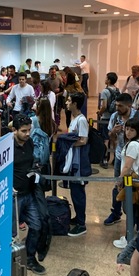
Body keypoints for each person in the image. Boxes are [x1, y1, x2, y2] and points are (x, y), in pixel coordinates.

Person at [105, 94, 139, 226]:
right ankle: (115, 213)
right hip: (121, 156)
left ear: (129, 105)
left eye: (120, 106)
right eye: (116, 105)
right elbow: (110, 136)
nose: (117, 108)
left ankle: (137, 219)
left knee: (136, 187)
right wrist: (113, 132)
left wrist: (136, 144)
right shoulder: (115, 117)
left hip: (135, 159)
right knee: (117, 186)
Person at [12, 114, 47, 275]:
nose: (27, 134)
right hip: (14, 196)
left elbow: (31, 161)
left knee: (37, 225)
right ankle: (11, 263)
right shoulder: (7, 146)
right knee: (11, 233)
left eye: (29, 130)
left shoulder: (30, 142)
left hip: (29, 192)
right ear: (15, 130)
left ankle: (30, 258)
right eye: (23, 131)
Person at [113, 117, 139, 249]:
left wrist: (119, 180)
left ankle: (129, 239)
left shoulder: (133, 145)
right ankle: (137, 238)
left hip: (134, 182)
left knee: (131, 210)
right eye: (127, 128)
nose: (128, 132)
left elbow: (127, 166)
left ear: (138, 131)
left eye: (132, 129)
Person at [63, 92, 90, 237]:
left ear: (75, 104)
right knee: (74, 192)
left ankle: (81, 224)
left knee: (78, 193)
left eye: (69, 100)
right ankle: (78, 217)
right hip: (73, 160)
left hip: (78, 163)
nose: (66, 103)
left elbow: (83, 140)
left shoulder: (81, 121)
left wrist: (68, 142)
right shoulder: (74, 119)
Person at [98, 72, 120, 168]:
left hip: (106, 117)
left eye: (106, 78)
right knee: (114, 139)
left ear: (109, 80)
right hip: (115, 117)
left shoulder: (105, 91)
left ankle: (104, 159)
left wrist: (100, 112)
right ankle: (115, 158)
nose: (105, 79)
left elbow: (104, 106)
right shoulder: (117, 90)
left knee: (105, 139)